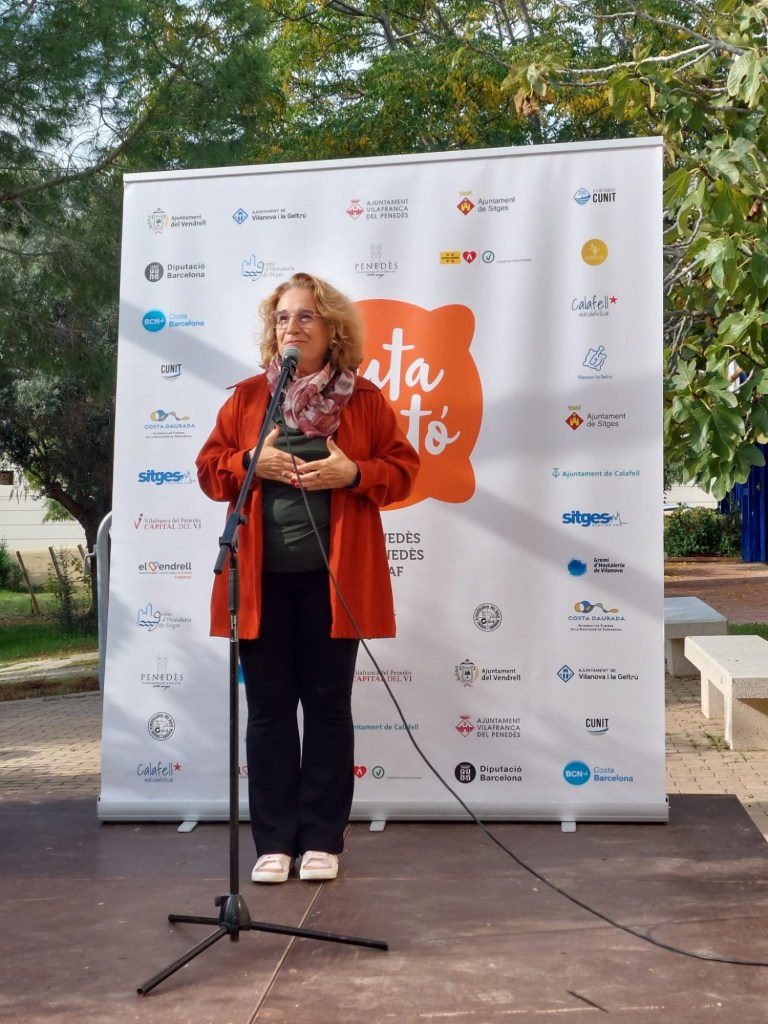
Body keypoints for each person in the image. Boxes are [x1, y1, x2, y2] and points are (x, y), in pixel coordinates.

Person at [196, 272, 420, 884]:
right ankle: (273, 842)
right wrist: (249, 459)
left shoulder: (364, 400)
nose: (290, 328)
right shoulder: (250, 399)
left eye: (304, 317)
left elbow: (403, 471)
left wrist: (354, 474)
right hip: (259, 584)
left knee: (327, 708)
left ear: (332, 330)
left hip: (333, 584)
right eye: (281, 318)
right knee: (268, 712)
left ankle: (321, 839)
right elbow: (209, 470)